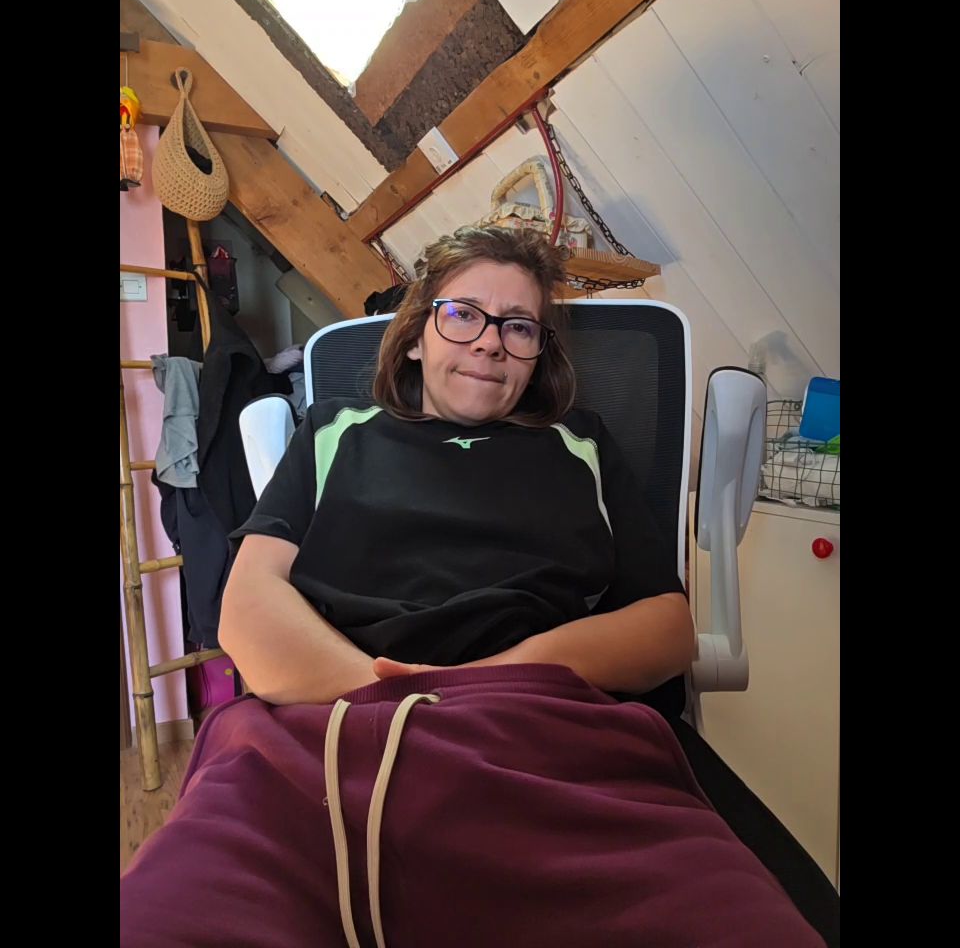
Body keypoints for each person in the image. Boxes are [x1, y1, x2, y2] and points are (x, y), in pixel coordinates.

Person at [120, 227, 825, 948]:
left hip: (551, 742)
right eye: (463, 314)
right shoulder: (335, 432)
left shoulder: (579, 443)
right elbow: (247, 606)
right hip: (324, 739)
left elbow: (666, 626)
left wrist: (488, 679)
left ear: (537, 352)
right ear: (416, 335)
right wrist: (392, 692)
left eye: (519, 327)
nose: (490, 343)